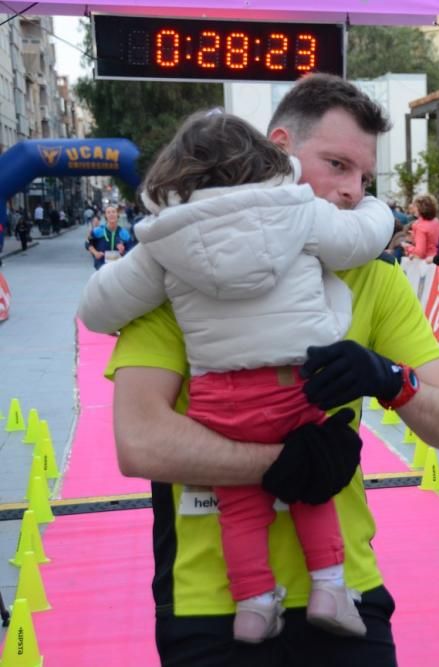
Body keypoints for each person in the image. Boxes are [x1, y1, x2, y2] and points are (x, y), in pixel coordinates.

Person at [103, 74, 439, 666]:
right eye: (336, 164)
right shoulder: (183, 268)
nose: (352, 192)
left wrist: (388, 378)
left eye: (363, 176)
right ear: (281, 149)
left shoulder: (374, 278)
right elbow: (138, 440)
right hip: (212, 604)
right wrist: (282, 465)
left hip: (344, 590)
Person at [78, 110, 395, 644]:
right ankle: (331, 587)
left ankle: (251, 604)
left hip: (220, 401)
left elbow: (99, 308)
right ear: (271, 159)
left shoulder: (163, 243)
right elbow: (359, 239)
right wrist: (375, 207)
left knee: (239, 507)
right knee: (312, 485)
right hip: (294, 387)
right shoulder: (298, 212)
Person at [86, 205, 132, 270]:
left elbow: (131, 250)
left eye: (113, 212)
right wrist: (95, 253)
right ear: (105, 216)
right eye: (108, 212)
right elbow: (88, 243)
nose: (111, 214)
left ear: (117, 215)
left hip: (119, 267)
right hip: (102, 266)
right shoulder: (98, 231)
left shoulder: (124, 233)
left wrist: (123, 251)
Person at [404, 194, 439, 260]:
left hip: (426, 262)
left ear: (421, 208)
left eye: (415, 206)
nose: (413, 209)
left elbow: (420, 252)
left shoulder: (420, 226)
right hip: (437, 259)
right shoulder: (436, 221)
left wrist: (408, 247)